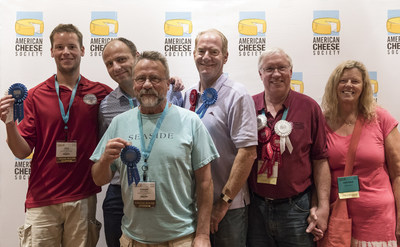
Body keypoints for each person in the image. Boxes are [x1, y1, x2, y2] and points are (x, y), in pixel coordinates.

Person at [91, 51, 219, 246]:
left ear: (168, 84)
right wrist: (105, 160)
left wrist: (202, 235)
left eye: (155, 78)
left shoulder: (190, 122)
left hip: (180, 239)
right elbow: (99, 178)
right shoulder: (119, 123)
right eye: (141, 79)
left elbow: (205, 183)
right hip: (133, 240)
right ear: (134, 84)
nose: (147, 84)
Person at [0, 24, 112, 246]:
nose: (66, 52)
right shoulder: (34, 95)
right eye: (59, 47)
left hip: (82, 197)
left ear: (82, 49)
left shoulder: (100, 92)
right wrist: (9, 123)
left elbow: (131, 98)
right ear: (51, 51)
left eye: (71, 46)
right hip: (43, 199)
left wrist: (172, 87)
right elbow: (22, 152)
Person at [99, 37, 184, 247]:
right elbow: (104, 153)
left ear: (137, 57)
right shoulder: (106, 106)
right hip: (120, 190)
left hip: (163, 188)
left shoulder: (172, 92)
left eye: (121, 59)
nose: (116, 67)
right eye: (109, 63)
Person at [247, 48, 331, 247]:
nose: (276, 74)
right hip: (255, 208)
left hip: (297, 209)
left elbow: (320, 160)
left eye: (282, 68)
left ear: (291, 72)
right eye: (269, 69)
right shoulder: (248, 106)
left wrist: (323, 207)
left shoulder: (309, 107)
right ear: (260, 75)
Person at [183, 28, 258, 247]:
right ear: (194, 54)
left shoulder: (237, 94)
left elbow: (248, 153)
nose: (206, 57)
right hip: (193, 205)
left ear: (225, 56)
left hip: (228, 208)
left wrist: (223, 202)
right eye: (201, 51)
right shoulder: (188, 95)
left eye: (214, 52)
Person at [320, 60, 400, 246]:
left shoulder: (381, 118)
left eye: (355, 81)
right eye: (343, 80)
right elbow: (317, 170)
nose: (348, 85)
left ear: (363, 87)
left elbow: (398, 173)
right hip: (337, 214)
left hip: (377, 217)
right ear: (334, 85)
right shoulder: (322, 121)